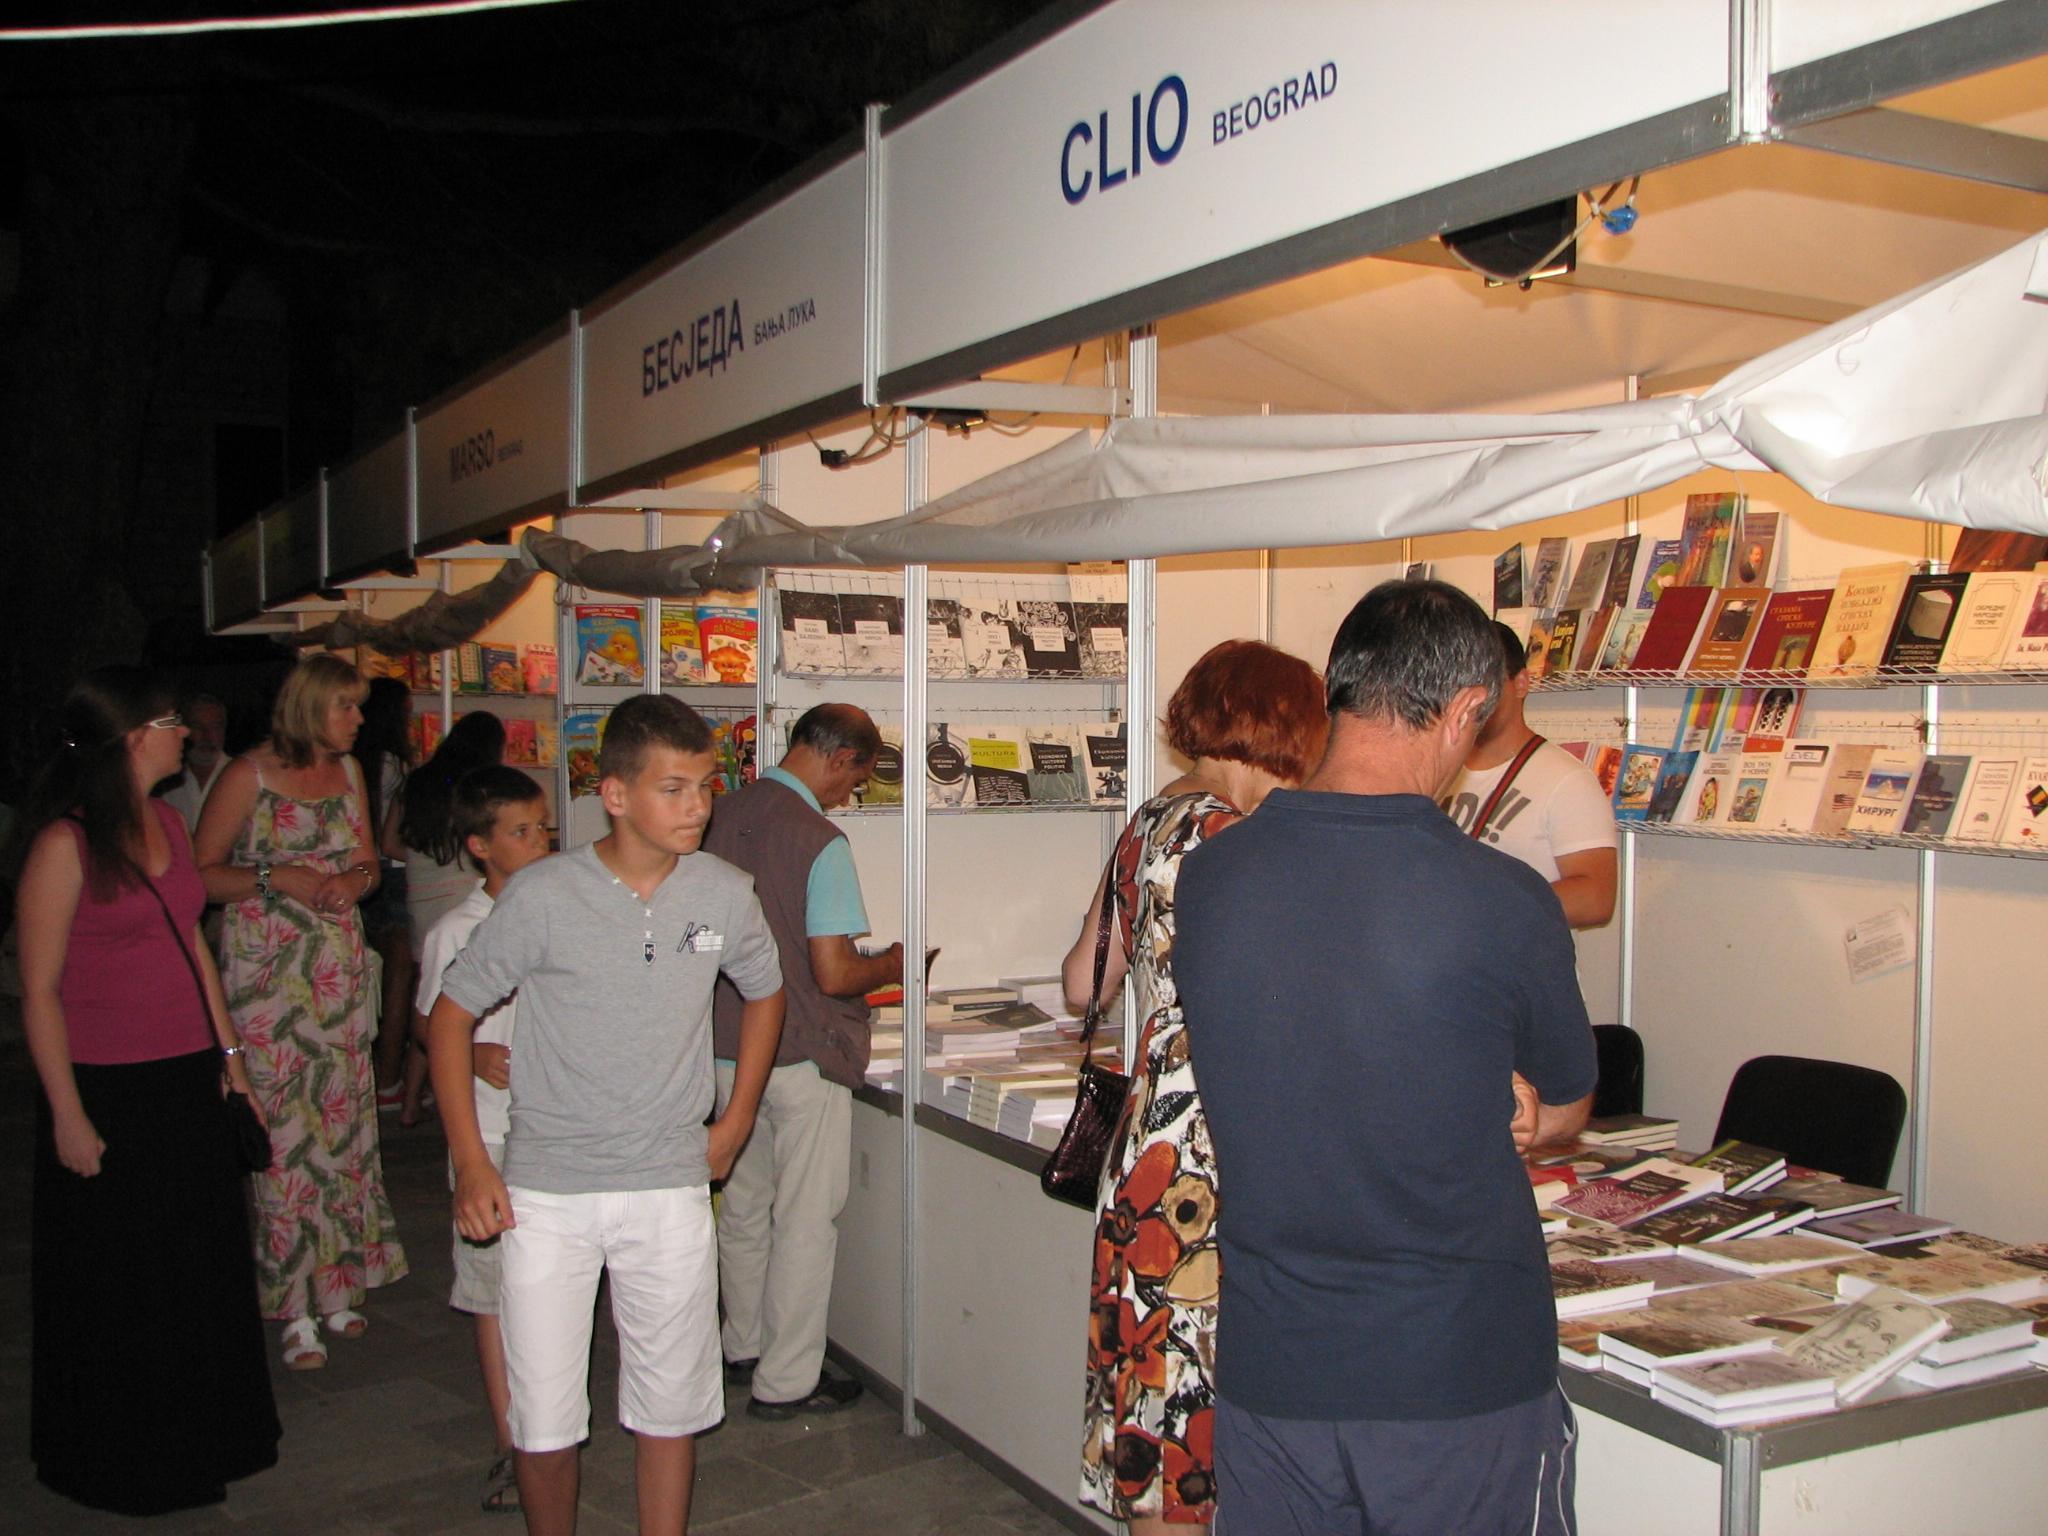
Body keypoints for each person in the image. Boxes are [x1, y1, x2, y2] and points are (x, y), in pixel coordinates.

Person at [1172, 580, 1597, 1536]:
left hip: (1274, 1364)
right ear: (1462, 712)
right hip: (1456, 1371)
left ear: (1338, 687)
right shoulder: (1506, 899)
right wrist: (1518, 1099)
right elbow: (1565, 1107)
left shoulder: (1211, 877)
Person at [425, 693, 787, 1536]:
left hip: (669, 1186)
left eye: (705, 785)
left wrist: (734, 1122)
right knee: (545, 1415)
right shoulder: (545, 894)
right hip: (549, 1191)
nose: (697, 806)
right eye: (674, 788)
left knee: (671, 1407)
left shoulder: (723, 892)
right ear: (615, 795)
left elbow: (765, 991)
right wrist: (473, 1163)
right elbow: (449, 1017)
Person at [1060, 639, 1329, 1533]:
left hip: (1151, 1135)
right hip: (1219, 1144)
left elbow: (1080, 983)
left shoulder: (1149, 823)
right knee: (1205, 1394)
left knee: (1156, 1383)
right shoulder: (1239, 840)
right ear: (1275, 728)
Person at [15, 667, 281, 1513]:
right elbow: (39, 990)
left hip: (185, 1075)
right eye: (172, 722)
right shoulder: (66, 844)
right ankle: (128, 1456)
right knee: (126, 1282)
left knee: (197, 1268)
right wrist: (67, 1113)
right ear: (136, 738)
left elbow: (193, 945)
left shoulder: (166, 820)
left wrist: (231, 1060)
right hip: (110, 1087)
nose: (187, 733)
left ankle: (210, 1435)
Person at [195, 652, 409, 1370]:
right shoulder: (247, 775)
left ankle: (338, 1284)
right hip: (271, 982)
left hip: (336, 975)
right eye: (346, 705)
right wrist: (274, 876)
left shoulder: (348, 774)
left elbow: (370, 861)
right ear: (310, 706)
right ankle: (292, 1305)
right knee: (285, 1140)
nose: (358, 719)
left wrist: (354, 881)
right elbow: (198, 876)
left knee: (341, 1133)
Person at [701, 702, 903, 1421]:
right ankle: (787, 1379)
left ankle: (743, 1344)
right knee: (807, 1219)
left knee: (742, 1206)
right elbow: (833, 972)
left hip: (723, 1044)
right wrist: (894, 964)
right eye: (856, 779)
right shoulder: (820, 840)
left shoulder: (715, 815)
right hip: (801, 1053)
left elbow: (700, 937)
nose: (849, 794)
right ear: (841, 758)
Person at [414, 765, 553, 1516]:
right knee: (492, 1293)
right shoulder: (457, 932)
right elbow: (431, 1021)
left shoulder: (559, 911)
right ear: (479, 846)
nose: (540, 842)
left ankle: (550, 1426)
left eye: (543, 829)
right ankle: (509, 1440)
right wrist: (470, 1053)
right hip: (491, 1134)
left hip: (555, 1129)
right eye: (521, 832)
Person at [1439, 620, 1617, 929]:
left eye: (1486, 685)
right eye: (1457, 687)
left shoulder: (1568, 780)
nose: (1471, 701)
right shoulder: (1437, 768)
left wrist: (1485, 906)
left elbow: (1596, 899)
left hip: (1513, 959)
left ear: (1521, 683)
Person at [385, 708, 506, 1124]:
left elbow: (389, 843)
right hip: (461, 894)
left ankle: (409, 1100)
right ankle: (434, 1093)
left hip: (422, 899)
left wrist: (424, 862)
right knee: (452, 1004)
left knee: (431, 1000)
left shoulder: (416, 782)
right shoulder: (475, 789)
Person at [353, 676, 417, 1109]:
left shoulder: (355, 761)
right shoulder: (393, 763)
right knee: (398, 977)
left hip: (359, 872)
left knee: (373, 975)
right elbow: (392, 837)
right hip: (390, 873)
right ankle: (389, 1075)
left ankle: (376, 1073)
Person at [159, 690, 229, 834]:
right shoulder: (167, 783)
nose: (208, 736)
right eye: (198, 727)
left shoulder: (241, 776)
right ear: (184, 730)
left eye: (215, 727)